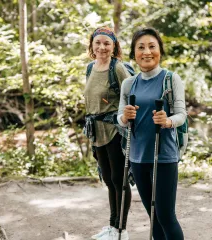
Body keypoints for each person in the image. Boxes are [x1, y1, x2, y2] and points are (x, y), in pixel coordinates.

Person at [117, 27, 185, 240]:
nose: (147, 52)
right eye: (141, 47)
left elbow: (181, 114)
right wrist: (125, 116)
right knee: (153, 215)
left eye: (152, 46)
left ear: (160, 51)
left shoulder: (171, 79)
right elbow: (120, 117)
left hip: (163, 155)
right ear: (134, 53)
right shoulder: (129, 83)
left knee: (166, 215)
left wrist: (167, 121)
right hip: (137, 157)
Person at [84, 26, 132, 240]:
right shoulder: (89, 68)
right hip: (96, 132)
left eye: (107, 43)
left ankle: (122, 230)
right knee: (108, 180)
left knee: (119, 179)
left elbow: (132, 97)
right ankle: (112, 227)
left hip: (115, 130)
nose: (102, 47)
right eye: (98, 42)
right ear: (92, 45)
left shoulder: (118, 68)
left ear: (114, 47)